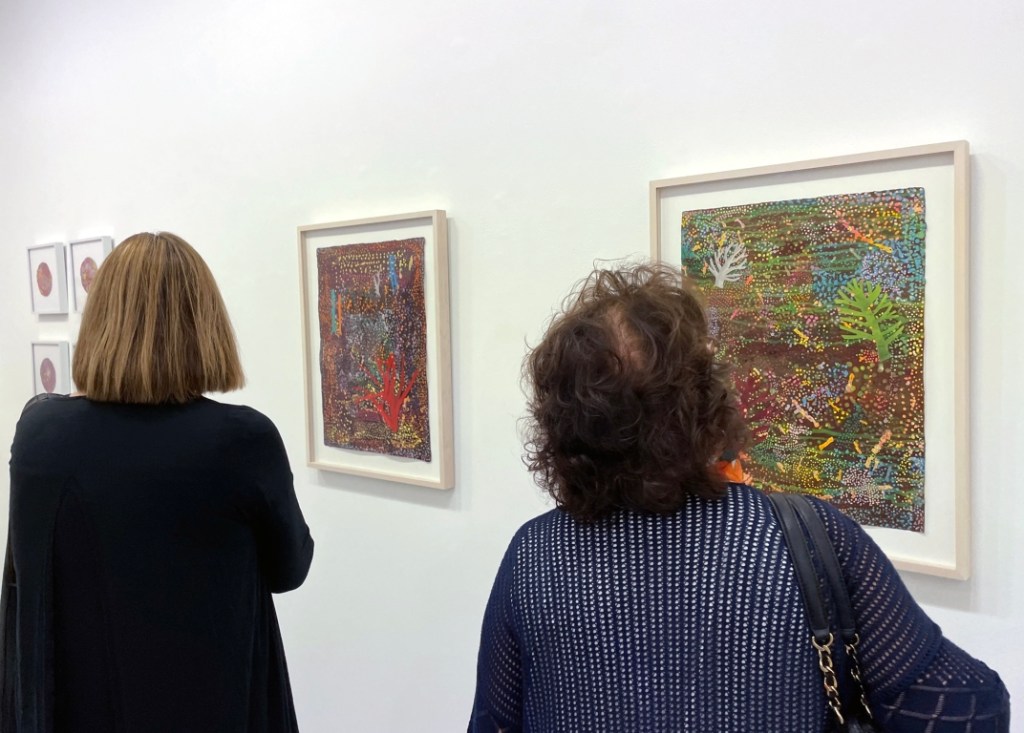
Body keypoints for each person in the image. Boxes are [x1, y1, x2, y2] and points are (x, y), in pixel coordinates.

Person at [468, 262, 1009, 732]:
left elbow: (493, 724)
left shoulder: (534, 556)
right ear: (706, 400)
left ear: (561, 424)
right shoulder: (808, 535)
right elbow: (969, 705)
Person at [4, 232, 314, 732]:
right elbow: (290, 569)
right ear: (206, 324)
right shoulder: (241, 441)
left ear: (100, 322)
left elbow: (28, 577)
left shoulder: (41, 434)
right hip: (213, 705)